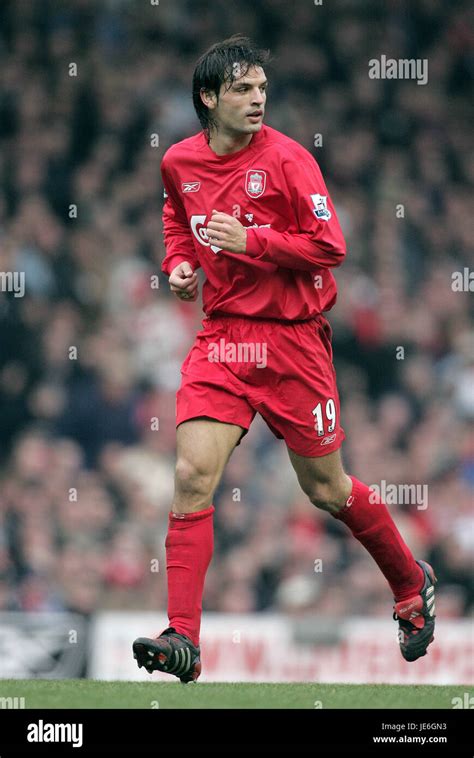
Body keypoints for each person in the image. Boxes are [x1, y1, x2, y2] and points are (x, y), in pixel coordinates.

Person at [133, 35, 436, 683]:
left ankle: (411, 586)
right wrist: (180, 264)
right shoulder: (179, 162)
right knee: (190, 474)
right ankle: (182, 637)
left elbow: (331, 246)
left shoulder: (292, 161)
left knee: (325, 489)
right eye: (243, 89)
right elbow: (175, 218)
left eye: (263, 89)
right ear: (209, 98)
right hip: (224, 338)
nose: (257, 99)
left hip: (295, 341)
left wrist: (254, 241)